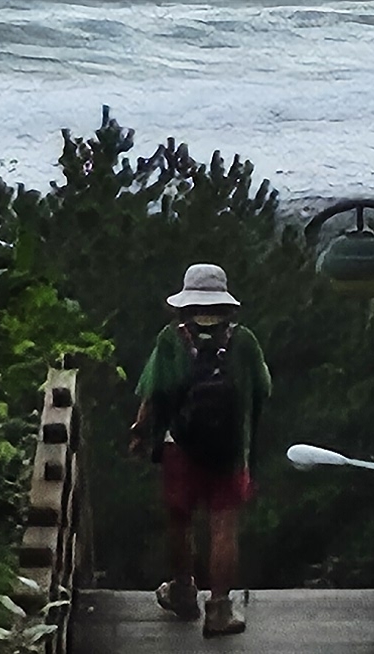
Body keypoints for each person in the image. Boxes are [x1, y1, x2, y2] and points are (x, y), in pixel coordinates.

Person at [128, 262, 272, 637]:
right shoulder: (244, 341)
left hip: (180, 447)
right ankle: (219, 610)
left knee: (180, 521)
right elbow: (263, 389)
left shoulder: (171, 339)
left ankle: (182, 591)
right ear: (225, 304)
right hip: (228, 448)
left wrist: (141, 432)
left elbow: (152, 392)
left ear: (186, 303)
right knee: (223, 525)